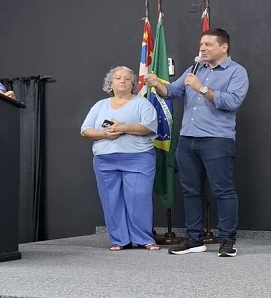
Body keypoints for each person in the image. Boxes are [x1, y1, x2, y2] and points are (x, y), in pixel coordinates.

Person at [144, 28, 249, 257]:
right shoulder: (195, 68)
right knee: (190, 190)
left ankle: (227, 241)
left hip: (217, 139)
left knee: (222, 190)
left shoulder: (236, 72)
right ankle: (194, 239)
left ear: (224, 47)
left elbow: (232, 102)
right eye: (201, 44)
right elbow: (171, 91)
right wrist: (156, 83)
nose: (202, 48)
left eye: (208, 44)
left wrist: (201, 88)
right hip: (187, 139)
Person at [81, 66, 160, 251]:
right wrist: (104, 134)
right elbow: (85, 130)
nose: (122, 81)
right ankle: (119, 239)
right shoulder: (100, 105)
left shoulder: (142, 103)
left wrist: (122, 127)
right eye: (118, 78)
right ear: (110, 83)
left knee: (138, 198)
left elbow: (149, 127)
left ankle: (144, 238)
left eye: (127, 78)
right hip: (104, 160)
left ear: (133, 84)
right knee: (111, 200)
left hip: (138, 158)